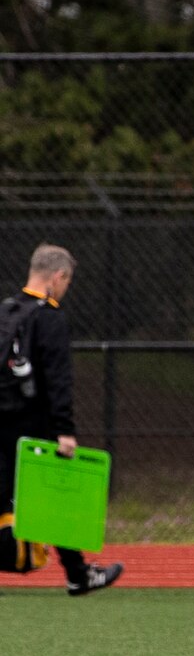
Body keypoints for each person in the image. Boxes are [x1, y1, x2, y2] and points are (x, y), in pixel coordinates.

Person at [0, 244, 123, 596]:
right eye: (67, 281)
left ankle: (78, 573)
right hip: (31, 428)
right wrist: (64, 429)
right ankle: (78, 575)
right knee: (56, 498)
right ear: (58, 277)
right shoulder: (48, 316)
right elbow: (58, 377)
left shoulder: (6, 311)